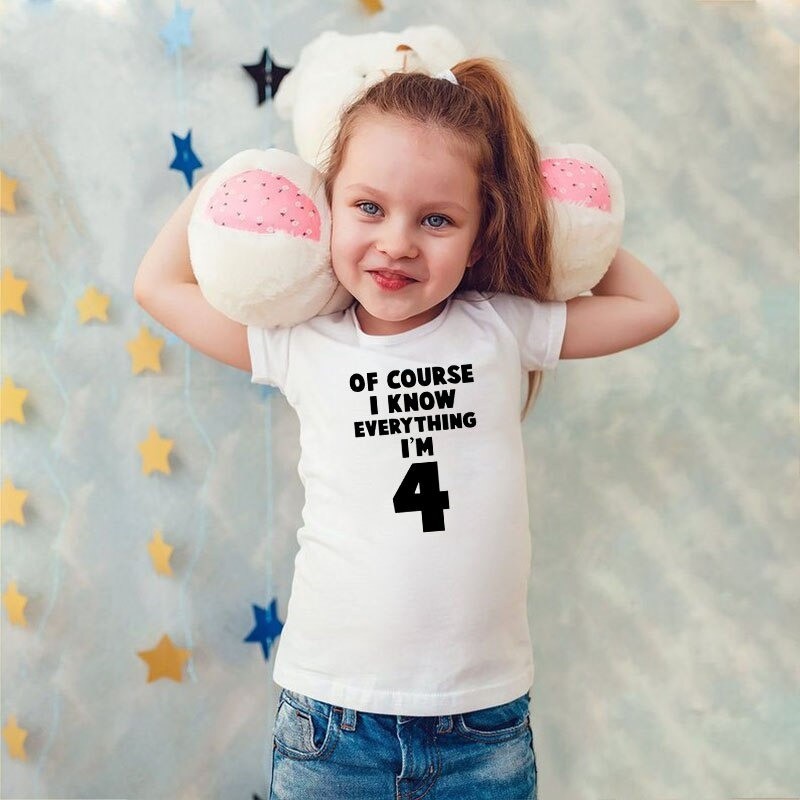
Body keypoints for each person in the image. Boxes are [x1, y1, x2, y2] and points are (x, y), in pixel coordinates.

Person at [134, 57, 679, 800]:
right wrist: (228, 185)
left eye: (437, 219)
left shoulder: (501, 327)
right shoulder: (303, 344)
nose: (397, 242)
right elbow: (158, 285)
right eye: (367, 207)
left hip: (483, 730)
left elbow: (653, 308)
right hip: (332, 723)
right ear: (326, 209)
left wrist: (557, 224)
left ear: (481, 236)